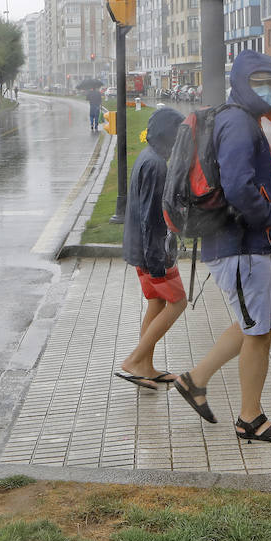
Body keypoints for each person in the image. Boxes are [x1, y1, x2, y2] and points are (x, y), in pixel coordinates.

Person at [173, 50, 271, 443]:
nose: (267, 89)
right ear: (242, 82)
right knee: (258, 332)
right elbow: (239, 185)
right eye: (259, 81)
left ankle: (195, 380)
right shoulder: (240, 123)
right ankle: (250, 419)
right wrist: (267, 218)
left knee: (256, 324)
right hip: (242, 244)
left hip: (241, 243)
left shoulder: (235, 118)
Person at [115, 106, 187, 390]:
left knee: (157, 303)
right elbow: (151, 218)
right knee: (177, 302)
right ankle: (134, 360)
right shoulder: (157, 165)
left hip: (141, 250)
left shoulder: (149, 157)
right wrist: (157, 259)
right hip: (153, 253)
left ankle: (146, 366)